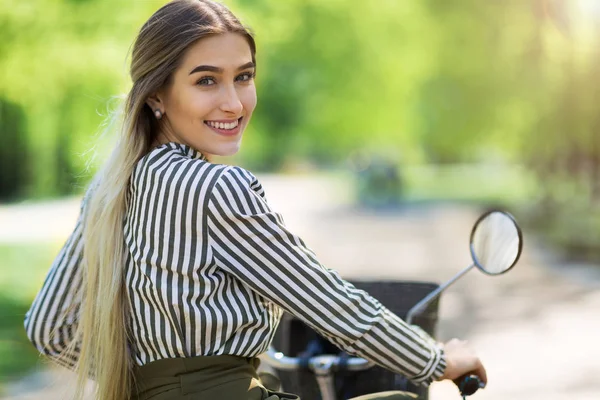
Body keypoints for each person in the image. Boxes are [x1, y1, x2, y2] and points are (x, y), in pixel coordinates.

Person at [23, 1, 487, 399]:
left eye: (243, 77)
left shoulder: (109, 192)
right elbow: (331, 305)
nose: (234, 102)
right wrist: (437, 359)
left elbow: (48, 329)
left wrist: (148, 379)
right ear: (157, 95)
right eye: (207, 81)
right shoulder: (218, 189)